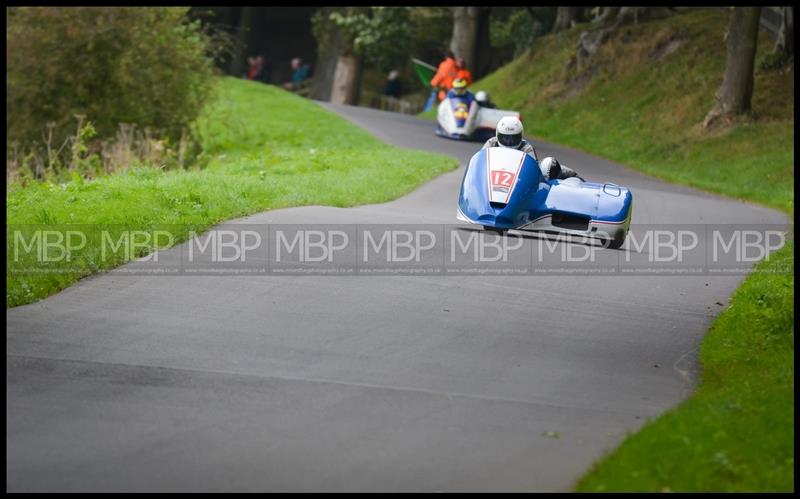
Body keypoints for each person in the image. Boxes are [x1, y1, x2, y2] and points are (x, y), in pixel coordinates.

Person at [482, 116, 583, 181]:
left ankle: (577, 178)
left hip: (516, 180)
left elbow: (532, 172)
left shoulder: (527, 148)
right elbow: (479, 163)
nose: (509, 142)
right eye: (505, 138)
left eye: (513, 138)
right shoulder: (491, 143)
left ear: (521, 136)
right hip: (493, 177)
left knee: (550, 166)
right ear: (497, 135)